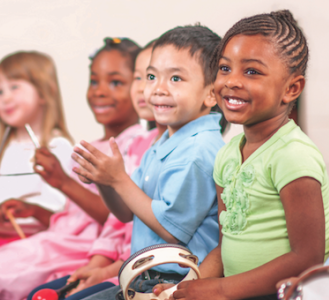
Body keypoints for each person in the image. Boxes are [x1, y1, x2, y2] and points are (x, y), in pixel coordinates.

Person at [0, 38, 155, 300]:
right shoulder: (89, 146)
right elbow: (72, 221)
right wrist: (32, 210)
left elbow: (120, 217)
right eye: (94, 81)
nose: (100, 91)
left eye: (116, 82)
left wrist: (62, 182)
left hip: (76, 248)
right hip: (58, 240)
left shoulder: (135, 146)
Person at [154, 10, 329, 300]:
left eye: (251, 71)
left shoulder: (293, 156)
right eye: (225, 69)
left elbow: (307, 259)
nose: (231, 81)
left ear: (291, 88)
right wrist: (183, 286)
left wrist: (221, 289)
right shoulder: (227, 157)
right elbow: (227, 245)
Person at [72, 24, 225, 300]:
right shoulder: (164, 141)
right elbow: (127, 213)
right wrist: (105, 181)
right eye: (152, 76)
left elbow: (171, 230)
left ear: (211, 94)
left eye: (176, 79)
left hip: (174, 282)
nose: (158, 88)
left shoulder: (198, 150)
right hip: (143, 277)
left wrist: (118, 179)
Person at [27, 40, 168, 300]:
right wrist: (96, 265)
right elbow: (119, 222)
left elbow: (165, 233)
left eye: (152, 77)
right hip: (120, 262)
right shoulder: (138, 146)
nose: (146, 88)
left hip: (147, 270)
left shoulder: (164, 150)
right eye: (141, 78)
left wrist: (107, 270)